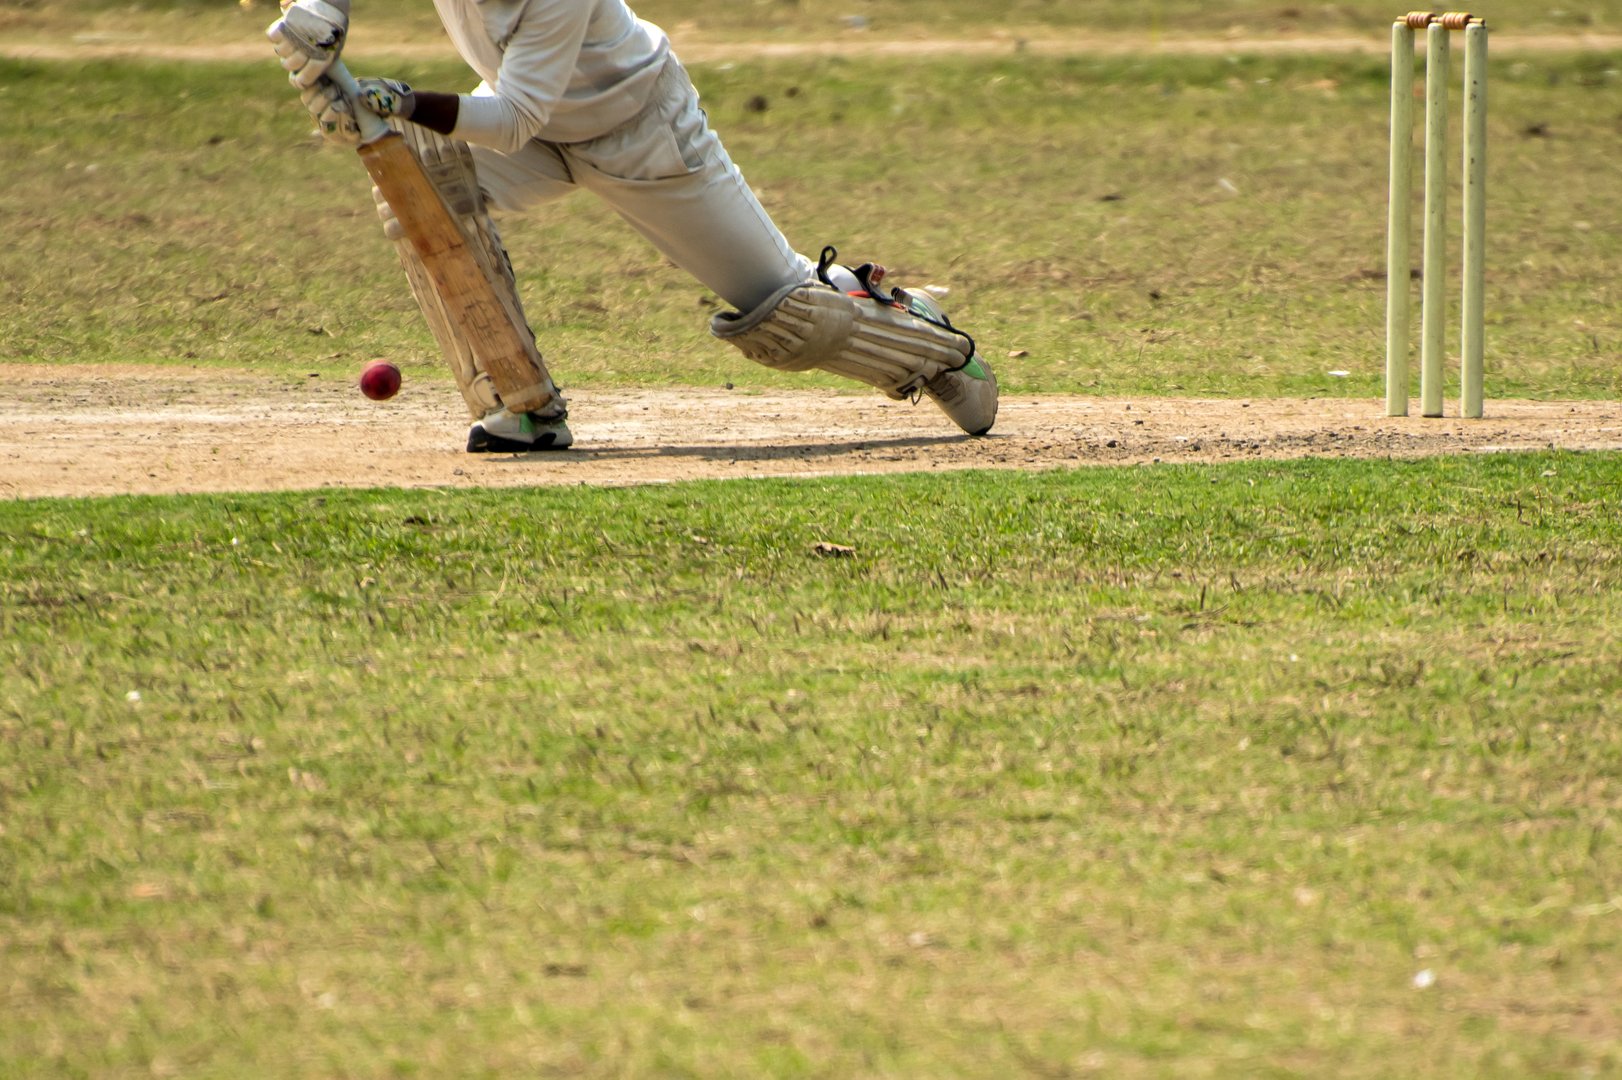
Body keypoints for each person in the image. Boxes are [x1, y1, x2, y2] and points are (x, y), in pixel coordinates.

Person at [269, 0, 997, 452]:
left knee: (787, 318)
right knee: (414, 192)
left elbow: (516, 118)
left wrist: (394, 101)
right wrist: (314, 22)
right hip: (539, 129)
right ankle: (520, 405)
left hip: (640, 133)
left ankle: (925, 341)